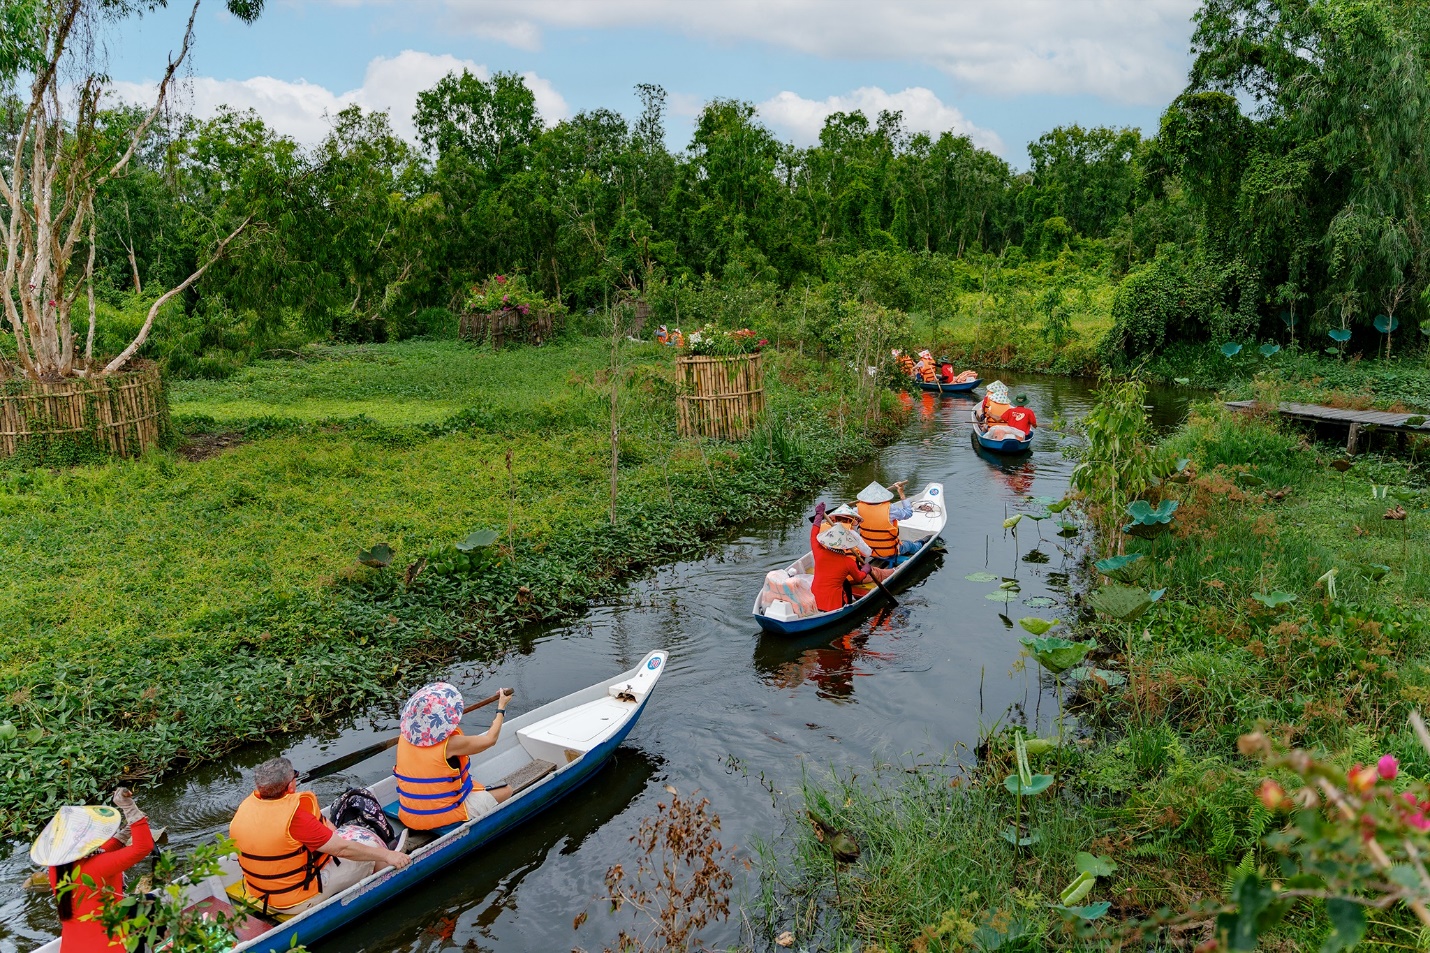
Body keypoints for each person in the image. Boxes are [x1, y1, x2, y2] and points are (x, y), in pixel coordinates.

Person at [229, 758, 410, 914]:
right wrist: (387, 855)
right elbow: (341, 848)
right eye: (295, 775)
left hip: (260, 894)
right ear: (290, 786)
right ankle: (384, 887)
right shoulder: (296, 818)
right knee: (371, 853)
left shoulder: (245, 809)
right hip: (295, 901)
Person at [33, 788, 154, 952]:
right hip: (110, 947)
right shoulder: (97, 867)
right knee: (150, 903)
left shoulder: (56, 868)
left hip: (72, 947)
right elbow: (143, 846)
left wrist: (125, 833)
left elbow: (99, 852)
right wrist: (130, 808)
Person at [394, 682, 516, 831]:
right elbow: (490, 739)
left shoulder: (404, 737)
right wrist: (501, 707)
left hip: (410, 815)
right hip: (441, 816)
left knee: (471, 784)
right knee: (507, 790)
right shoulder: (451, 744)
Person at [809, 517, 890, 612]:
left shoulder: (819, 552)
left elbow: (813, 536)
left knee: (846, 582)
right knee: (846, 584)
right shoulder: (848, 562)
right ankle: (848, 603)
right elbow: (859, 577)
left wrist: (818, 517)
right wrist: (866, 570)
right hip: (833, 604)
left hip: (814, 598)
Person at [854, 481, 922, 565]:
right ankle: (921, 543)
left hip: (868, 550)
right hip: (888, 551)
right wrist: (901, 493)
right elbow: (908, 513)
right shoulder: (890, 509)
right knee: (909, 545)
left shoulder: (857, 509)